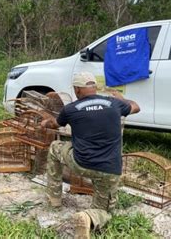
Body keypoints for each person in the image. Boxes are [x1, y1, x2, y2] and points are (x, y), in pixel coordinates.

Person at [41, 71, 140, 239]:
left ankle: (54, 198)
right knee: (104, 210)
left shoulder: (70, 109)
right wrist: (121, 99)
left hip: (80, 164)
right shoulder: (114, 103)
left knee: (55, 147)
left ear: (77, 90)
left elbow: (55, 124)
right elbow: (136, 107)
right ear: (94, 87)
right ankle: (89, 217)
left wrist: (45, 122)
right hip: (109, 170)